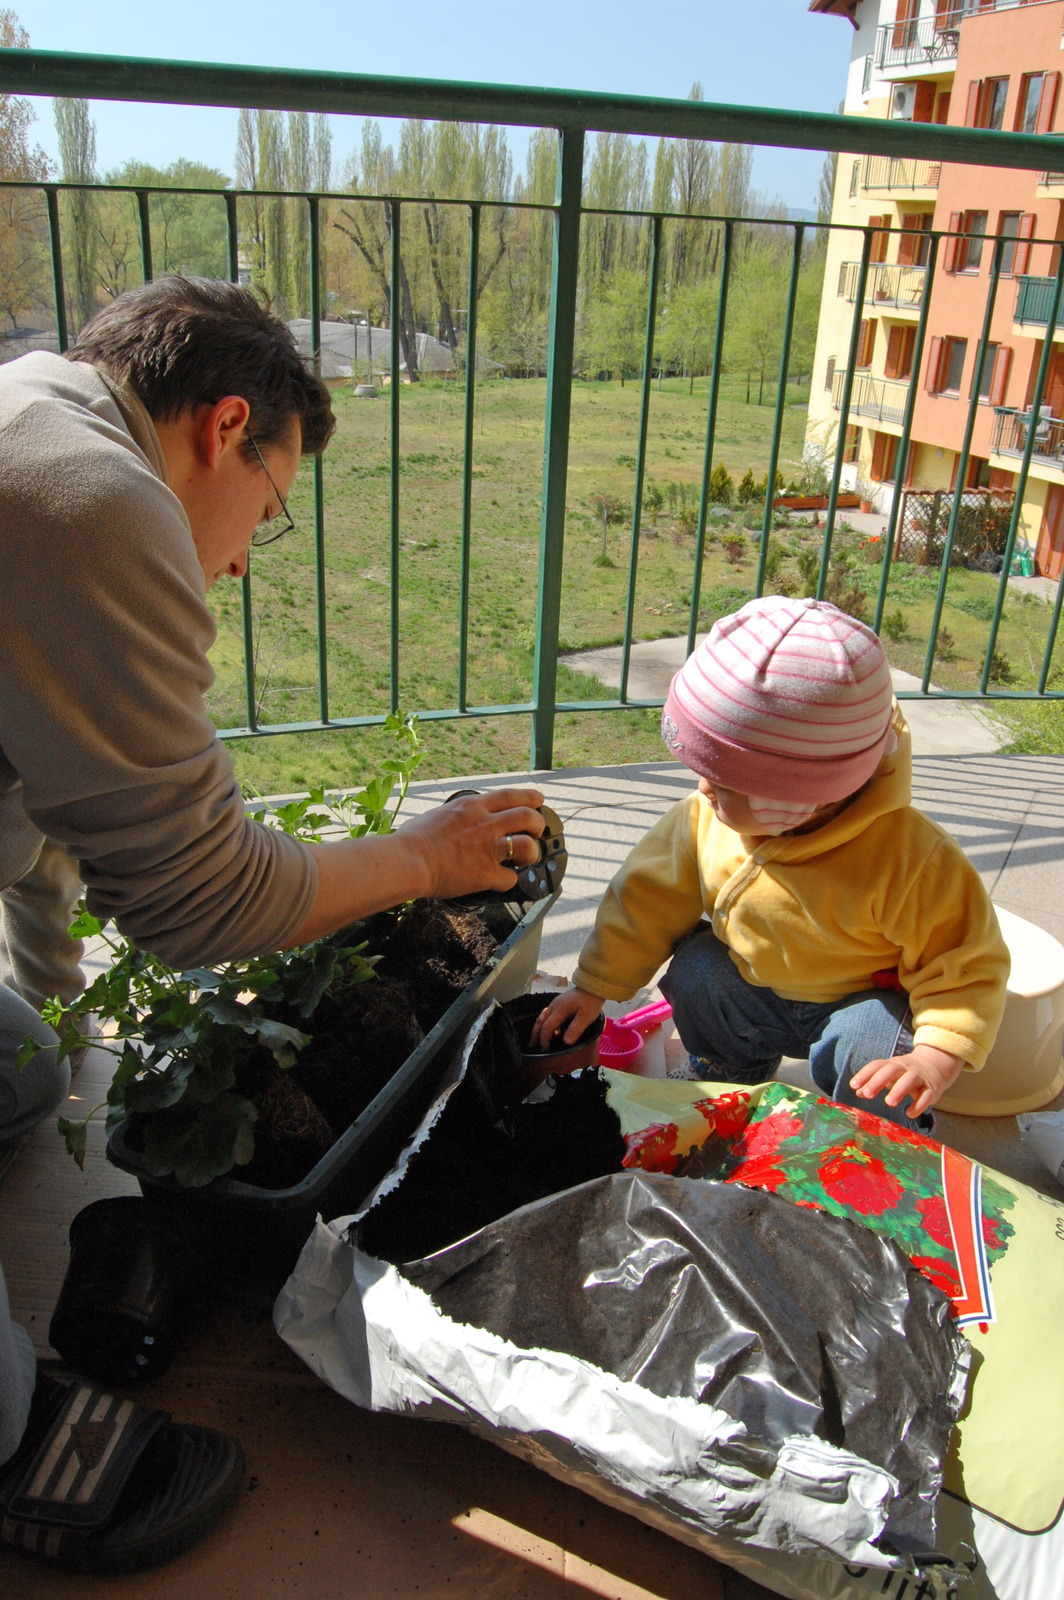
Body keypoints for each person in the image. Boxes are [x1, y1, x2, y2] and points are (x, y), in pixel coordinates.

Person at [0, 276, 543, 1570]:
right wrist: (421, 858)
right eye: (270, 508)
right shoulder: (99, 501)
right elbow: (197, 901)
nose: (244, 555)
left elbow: (37, 785)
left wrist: (62, 1018)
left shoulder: (31, 405)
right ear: (222, 426)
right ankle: (15, 1447)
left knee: (20, 1074)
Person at [535, 595, 1009, 1129]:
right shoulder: (704, 817)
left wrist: (934, 1057)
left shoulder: (911, 860)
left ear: (806, 795)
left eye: (724, 782)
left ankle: (880, 1139)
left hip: (857, 1005)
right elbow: (646, 899)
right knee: (697, 972)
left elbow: (964, 961)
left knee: (878, 1054)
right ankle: (730, 1068)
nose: (703, 788)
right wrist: (595, 985)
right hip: (755, 992)